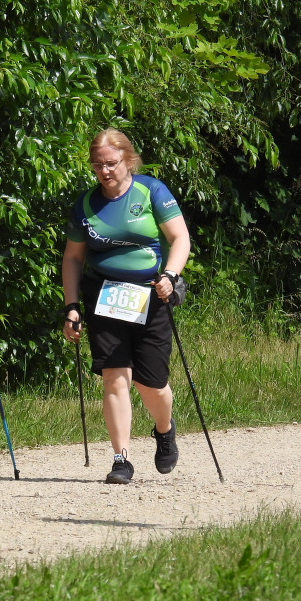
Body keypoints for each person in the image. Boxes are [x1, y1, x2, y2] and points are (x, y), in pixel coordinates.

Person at [61, 128, 191, 484]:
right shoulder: (85, 205)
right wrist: (71, 306)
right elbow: (72, 258)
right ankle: (121, 459)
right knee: (114, 377)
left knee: (152, 383)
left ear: (129, 160)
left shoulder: (151, 191)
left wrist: (170, 274)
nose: (105, 171)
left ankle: (164, 429)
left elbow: (180, 238)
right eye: (98, 165)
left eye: (112, 163)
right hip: (105, 295)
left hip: (151, 294)